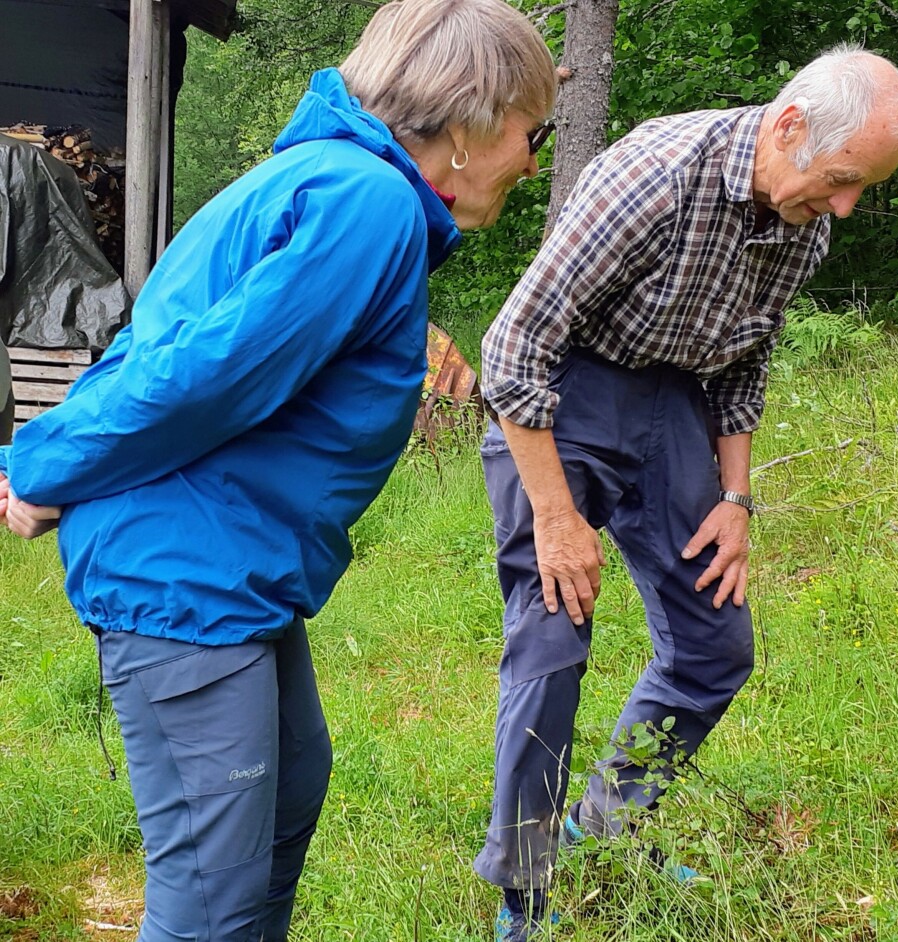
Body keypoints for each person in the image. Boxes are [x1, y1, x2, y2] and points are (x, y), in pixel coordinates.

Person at [0, 1, 556, 939]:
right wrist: (45, 465)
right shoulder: (366, 203)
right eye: (530, 131)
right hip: (184, 573)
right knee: (210, 896)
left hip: (232, 564)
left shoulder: (331, 183)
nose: (535, 161)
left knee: (291, 788)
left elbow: (170, 349)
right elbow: (204, 374)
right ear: (466, 123)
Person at [475, 44, 898, 941]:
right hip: (565, 393)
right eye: (838, 179)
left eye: (859, 186)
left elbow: (744, 367)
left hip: (674, 404)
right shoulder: (658, 176)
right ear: (789, 128)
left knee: (715, 643)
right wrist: (556, 518)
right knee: (553, 635)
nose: (843, 207)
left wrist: (736, 499)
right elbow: (513, 347)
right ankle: (527, 893)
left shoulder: (804, 224)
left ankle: (606, 825)